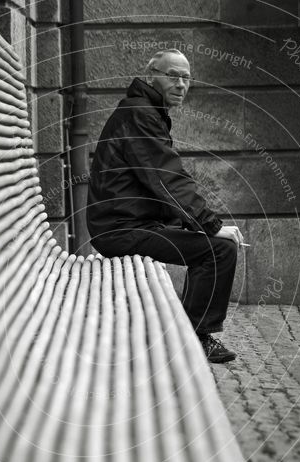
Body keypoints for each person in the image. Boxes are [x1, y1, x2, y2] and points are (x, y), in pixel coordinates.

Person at [86, 49, 245, 363]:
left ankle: (188, 331)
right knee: (219, 250)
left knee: (209, 244)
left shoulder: (145, 112)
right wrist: (211, 225)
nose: (181, 84)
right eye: (172, 76)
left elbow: (157, 182)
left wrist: (192, 222)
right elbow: (167, 179)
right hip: (122, 230)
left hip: (129, 223)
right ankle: (195, 338)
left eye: (186, 78)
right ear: (150, 77)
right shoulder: (140, 114)